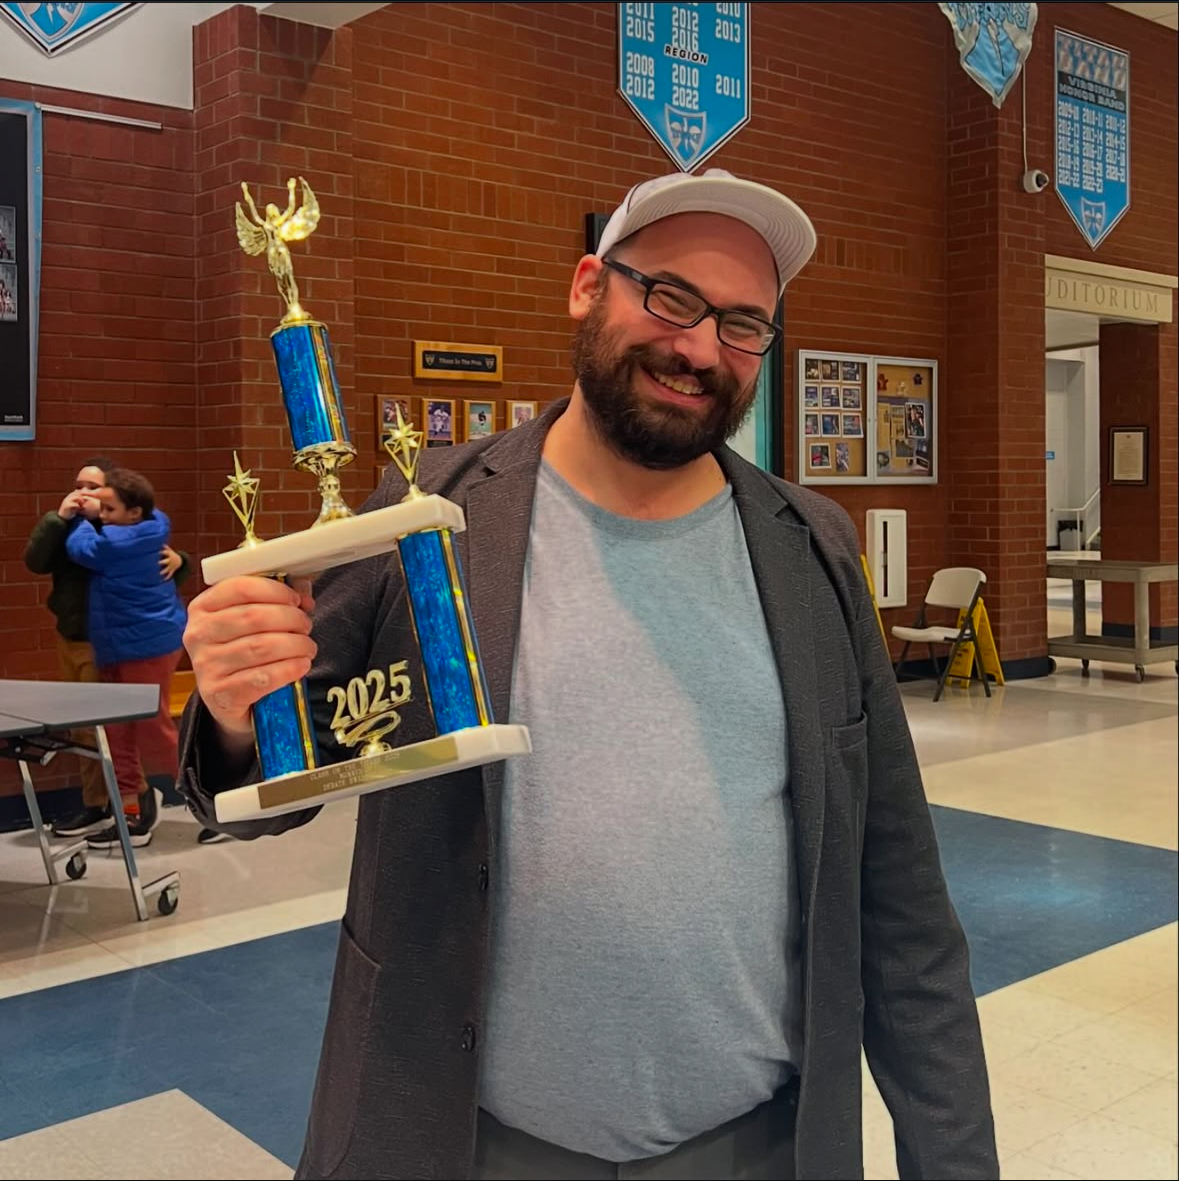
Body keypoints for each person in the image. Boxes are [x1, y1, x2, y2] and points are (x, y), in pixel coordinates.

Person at [179, 169, 998, 1180]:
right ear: (585, 286)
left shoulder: (812, 549)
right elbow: (264, 787)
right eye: (671, 296)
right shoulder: (425, 519)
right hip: (463, 1141)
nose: (699, 346)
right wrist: (231, 703)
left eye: (742, 324)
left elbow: (902, 898)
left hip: (757, 1144)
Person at [24, 457, 188, 838]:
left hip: (139, 645)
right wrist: (58, 519)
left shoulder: (116, 534)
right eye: (78, 484)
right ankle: (121, 809)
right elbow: (35, 559)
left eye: (95, 490)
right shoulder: (140, 523)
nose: (85, 494)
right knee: (110, 732)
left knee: (150, 727)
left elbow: (93, 550)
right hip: (109, 643)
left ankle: (205, 792)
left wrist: (77, 519)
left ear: (127, 509)